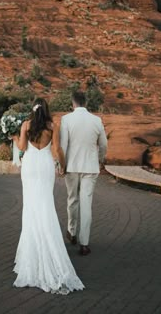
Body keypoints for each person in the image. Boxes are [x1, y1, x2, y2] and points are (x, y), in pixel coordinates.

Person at [12, 97, 84, 295]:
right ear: (46, 109)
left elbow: (22, 148)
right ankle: (49, 246)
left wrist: (14, 138)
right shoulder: (53, 126)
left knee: (31, 206)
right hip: (44, 166)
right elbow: (57, 149)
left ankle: (31, 251)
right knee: (45, 204)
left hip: (29, 166)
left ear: (33, 109)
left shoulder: (26, 124)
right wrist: (63, 165)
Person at [60, 89, 108, 256]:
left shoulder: (66, 119)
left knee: (72, 200)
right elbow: (103, 145)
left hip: (71, 167)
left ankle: (71, 232)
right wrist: (100, 160)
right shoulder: (97, 120)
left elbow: (63, 145)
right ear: (85, 102)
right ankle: (84, 243)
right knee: (86, 203)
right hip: (90, 167)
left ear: (73, 103)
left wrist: (62, 165)